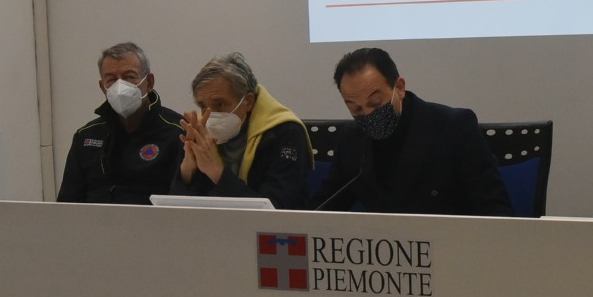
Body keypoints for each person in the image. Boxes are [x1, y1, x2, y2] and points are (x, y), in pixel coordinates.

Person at [313, 47, 513, 216]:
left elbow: (496, 210)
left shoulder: (453, 127)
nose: (367, 113)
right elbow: (322, 211)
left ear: (399, 88)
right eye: (355, 108)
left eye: (375, 102)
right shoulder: (351, 140)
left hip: (452, 243)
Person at [171, 53, 311, 209]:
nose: (210, 115)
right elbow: (175, 213)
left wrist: (217, 172)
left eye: (220, 104)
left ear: (248, 101)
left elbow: (275, 208)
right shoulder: (198, 131)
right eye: (203, 106)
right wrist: (187, 172)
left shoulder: (285, 131)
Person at [58, 42, 184, 204]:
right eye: (111, 79)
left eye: (129, 77)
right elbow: (67, 202)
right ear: (103, 87)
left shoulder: (178, 132)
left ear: (149, 82)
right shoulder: (86, 136)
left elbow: (183, 200)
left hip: (152, 219)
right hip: (94, 219)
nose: (120, 86)